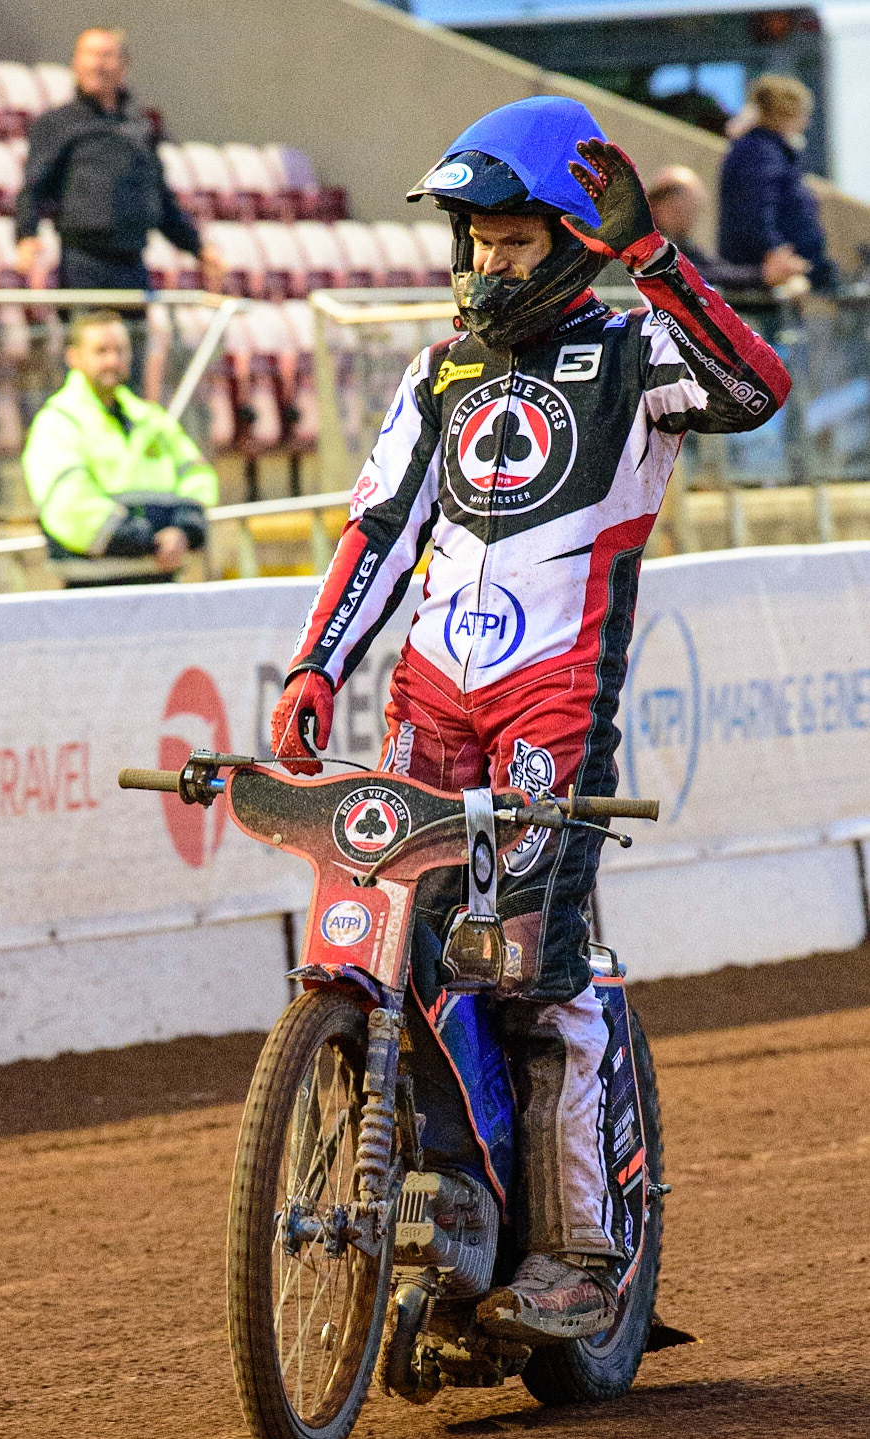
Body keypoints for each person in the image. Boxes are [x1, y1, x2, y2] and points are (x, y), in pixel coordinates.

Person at [269, 97, 789, 1344]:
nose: (484, 263)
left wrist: (652, 257)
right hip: (425, 704)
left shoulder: (630, 353)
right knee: (392, 949)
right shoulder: (436, 368)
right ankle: (442, 1202)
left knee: (525, 970)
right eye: (474, 241)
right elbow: (378, 531)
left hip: (551, 703)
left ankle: (582, 1254)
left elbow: (754, 386)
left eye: (510, 241)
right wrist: (311, 669)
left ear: (567, 236)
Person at [15, 28, 223, 296]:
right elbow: (33, 186)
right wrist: (26, 235)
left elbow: (161, 200)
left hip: (133, 263)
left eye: (104, 56)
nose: (95, 65)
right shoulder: (56, 123)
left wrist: (198, 248)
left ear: (124, 66)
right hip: (83, 263)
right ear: (76, 64)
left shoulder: (139, 127)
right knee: (96, 338)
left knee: (135, 338)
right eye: (88, 56)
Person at [21, 308, 218, 587]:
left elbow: (198, 475)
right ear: (74, 357)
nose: (113, 360)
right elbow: (70, 506)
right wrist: (148, 541)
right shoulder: (57, 422)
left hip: (160, 582)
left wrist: (183, 530)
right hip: (94, 591)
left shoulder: (151, 418)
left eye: (120, 350)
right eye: (101, 351)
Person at [719, 75, 836, 292]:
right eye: (805, 114)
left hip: (776, 275)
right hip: (767, 280)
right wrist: (775, 251)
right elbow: (756, 211)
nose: (807, 122)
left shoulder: (764, 150)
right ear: (788, 112)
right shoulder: (761, 151)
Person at [648, 164, 807, 296]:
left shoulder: (679, 241)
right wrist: (762, 276)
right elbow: (696, 275)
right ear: (668, 204)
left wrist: (766, 274)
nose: (692, 219)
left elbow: (716, 268)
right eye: (688, 209)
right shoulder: (649, 242)